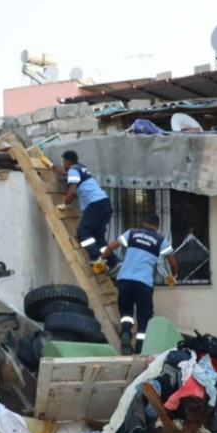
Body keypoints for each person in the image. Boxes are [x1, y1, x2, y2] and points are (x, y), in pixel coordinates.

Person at [96, 213, 178, 355]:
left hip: (125, 280)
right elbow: (172, 261)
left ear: (144, 222)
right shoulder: (160, 240)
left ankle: (126, 331)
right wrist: (173, 276)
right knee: (144, 315)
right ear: (157, 226)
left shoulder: (132, 233)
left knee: (126, 312)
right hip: (144, 283)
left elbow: (111, 246)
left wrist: (100, 260)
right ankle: (140, 346)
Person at [57, 150, 116, 268]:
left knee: (82, 233)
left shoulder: (73, 170)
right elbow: (64, 173)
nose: (63, 164)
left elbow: (72, 190)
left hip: (95, 205)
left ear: (68, 161)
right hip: (105, 203)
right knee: (98, 237)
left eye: (64, 161)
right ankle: (114, 262)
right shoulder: (81, 168)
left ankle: (95, 256)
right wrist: (51, 166)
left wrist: (65, 204)